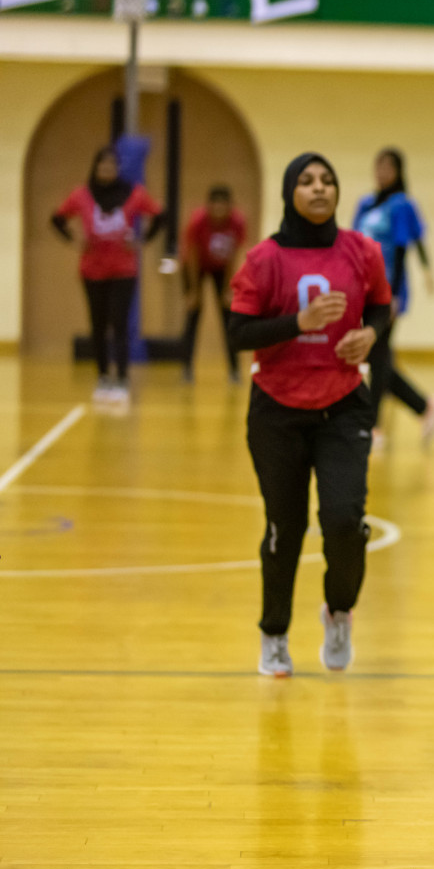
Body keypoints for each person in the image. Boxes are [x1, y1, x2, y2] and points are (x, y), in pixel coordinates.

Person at [228, 153, 390, 678]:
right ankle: (274, 633)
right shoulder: (263, 260)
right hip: (277, 409)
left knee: (344, 522)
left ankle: (338, 611)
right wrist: (297, 323)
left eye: (328, 181)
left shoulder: (362, 252)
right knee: (285, 527)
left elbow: (381, 307)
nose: (319, 189)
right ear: (289, 192)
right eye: (306, 181)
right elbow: (237, 335)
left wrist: (371, 334)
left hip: (342, 405)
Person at [352, 147, 434, 452]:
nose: (382, 172)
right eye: (378, 166)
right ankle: (425, 406)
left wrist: (394, 293)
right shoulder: (365, 204)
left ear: (398, 171)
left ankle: (374, 426)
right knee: (374, 354)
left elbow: (405, 246)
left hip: (388, 292)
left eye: (388, 167)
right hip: (362, 291)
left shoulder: (402, 205)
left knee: (377, 352)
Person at [50, 147, 164, 405]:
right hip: (92, 271)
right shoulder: (81, 195)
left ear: (117, 169)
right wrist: (74, 239)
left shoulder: (133, 194)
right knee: (98, 325)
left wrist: (141, 240)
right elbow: (57, 219)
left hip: (123, 270)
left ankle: (122, 378)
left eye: (112, 166)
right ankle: (103, 377)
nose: (107, 170)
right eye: (103, 165)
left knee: (119, 324)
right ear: (96, 167)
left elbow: (159, 215)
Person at [180, 184, 247, 383]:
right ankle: (187, 369)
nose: (218, 210)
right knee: (193, 316)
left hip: (221, 268)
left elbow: (234, 256)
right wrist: (193, 291)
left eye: (222, 205)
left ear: (230, 206)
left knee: (228, 316)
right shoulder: (198, 221)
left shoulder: (237, 222)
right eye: (214, 205)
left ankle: (234, 370)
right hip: (195, 266)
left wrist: (228, 289)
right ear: (208, 206)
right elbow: (191, 256)